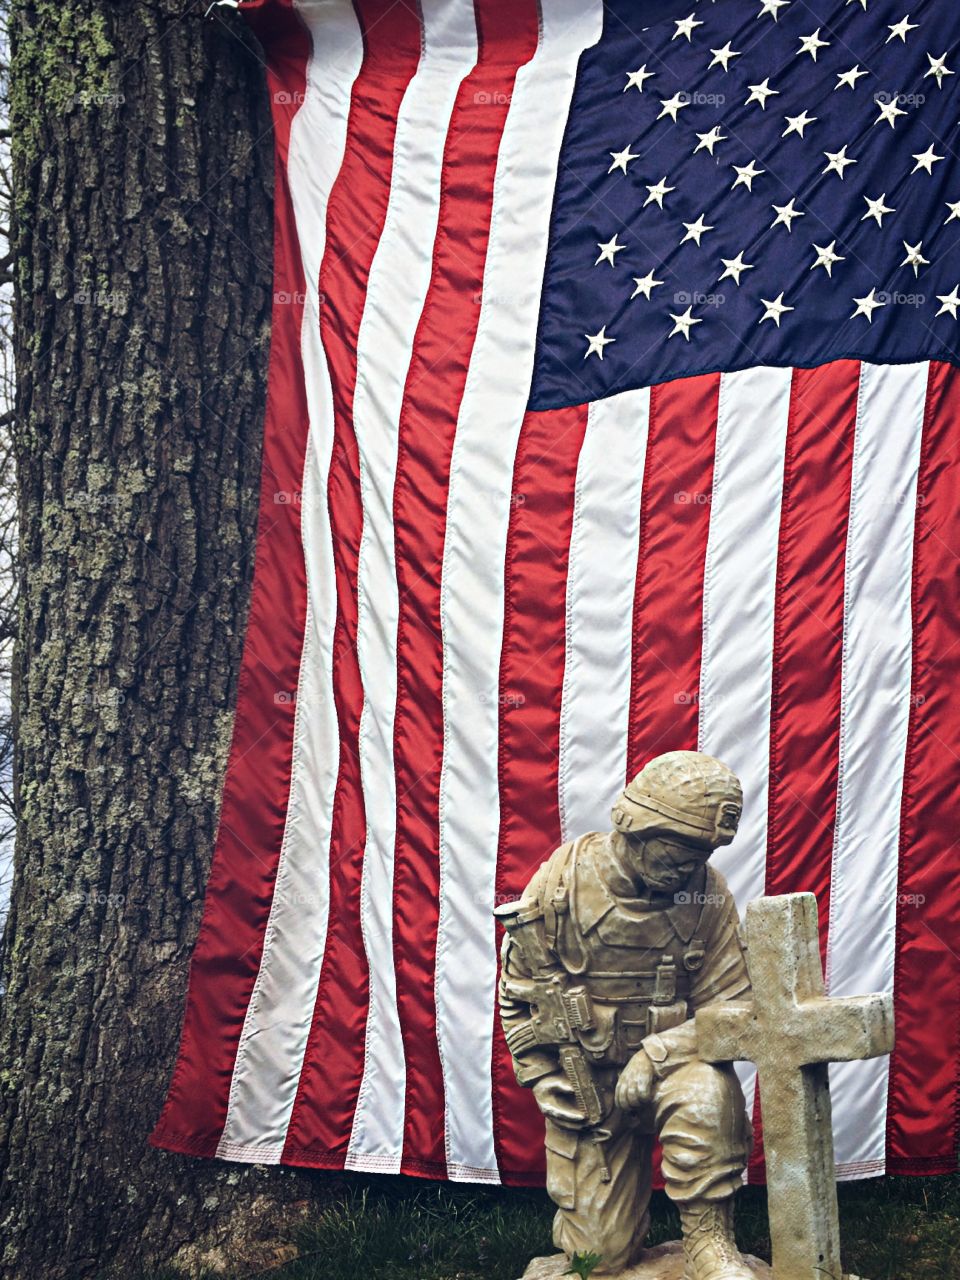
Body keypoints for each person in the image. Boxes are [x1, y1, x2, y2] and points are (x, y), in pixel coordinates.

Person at [497, 751, 754, 1279]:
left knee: (708, 1089)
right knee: (599, 1261)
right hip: (590, 1082)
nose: (689, 867)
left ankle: (710, 1245)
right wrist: (545, 1078)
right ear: (636, 827)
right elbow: (519, 995)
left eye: (700, 854)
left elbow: (733, 1009)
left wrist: (658, 1055)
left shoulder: (705, 895)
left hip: (673, 1069)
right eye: (679, 851)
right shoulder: (560, 886)